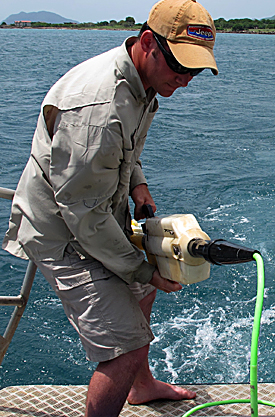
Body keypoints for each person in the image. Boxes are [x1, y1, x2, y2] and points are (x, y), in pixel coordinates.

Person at [3, 0, 218, 415]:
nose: (185, 80)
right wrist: (143, 269)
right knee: (124, 347)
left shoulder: (143, 83)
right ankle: (130, 375)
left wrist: (138, 184)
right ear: (147, 43)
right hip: (64, 231)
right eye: (179, 65)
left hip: (94, 211)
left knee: (140, 295)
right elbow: (82, 214)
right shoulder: (97, 110)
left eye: (195, 70)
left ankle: (142, 387)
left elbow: (123, 150)